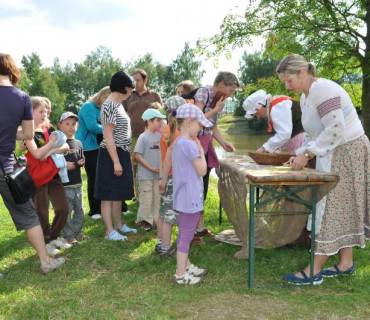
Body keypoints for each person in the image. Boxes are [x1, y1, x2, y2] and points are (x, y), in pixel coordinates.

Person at [277, 54, 370, 285]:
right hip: (337, 151)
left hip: (347, 151)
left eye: (289, 80)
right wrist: (301, 154)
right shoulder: (307, 96)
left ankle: (314, 271)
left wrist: (308, 154)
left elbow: (336, 129)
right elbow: (315, 134)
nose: (287, 86)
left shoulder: (322, 89)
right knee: (342, 205)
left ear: (302, 72)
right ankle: (345, 263)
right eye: (284, 82)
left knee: (332, 206)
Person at [0, 53, 64, 275]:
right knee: (28, 214)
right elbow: (28, 133)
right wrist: (8, 133)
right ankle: (46, 261)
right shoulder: (23, 98)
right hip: (5, 165)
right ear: (12, 71)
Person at [192, 71, 239, 244]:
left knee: (202, 187)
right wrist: (216, 109)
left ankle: (199, 227)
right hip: (194, 145)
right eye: (231, 90)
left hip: (206, 145)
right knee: (194, 187)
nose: (231, 95)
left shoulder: (220, 98)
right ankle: (191, 231)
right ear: (221, 85)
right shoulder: (204, 93)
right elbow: (194, 119)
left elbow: (213, 126)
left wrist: (223, 142)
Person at [172, 103, 213, 285]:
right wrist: (201, 152)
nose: (201, 127)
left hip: (183, 196)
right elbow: (203, 171)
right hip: (191, 198)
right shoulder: (189, 145)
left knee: (183, 233)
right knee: (187, 236)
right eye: (199, 124)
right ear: (189, 122)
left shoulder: (178, 142)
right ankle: (180, 274)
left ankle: (186, 265)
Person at [94, 71, 137, 241]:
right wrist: (116, 162)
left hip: (122, 152)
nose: (132, 92)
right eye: (131, 88)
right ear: (125, 87)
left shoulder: (118, 104)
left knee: (118, 192)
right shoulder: (109, 105)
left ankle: (119, 225)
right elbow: (108, 135)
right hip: (111, 154)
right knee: (108, 194)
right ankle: (109, 231)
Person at [25, 97, 71, 255]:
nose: (45, 114)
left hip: (53, 175)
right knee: (41, 211)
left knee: (63, 208)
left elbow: (65, 145)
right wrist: (52, 143)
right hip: (38, 178)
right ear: (30, 112)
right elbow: (37, 154)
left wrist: (51, 150)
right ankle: (45, 241)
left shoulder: (49, 128)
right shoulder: (27, 133)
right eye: (41, 111)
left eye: (46, 111)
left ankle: (54, 237)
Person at [157, 96, 186, 258]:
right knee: (170, 215)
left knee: (163, 213)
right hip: (174, 177)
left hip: (166, 176)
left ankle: (161, 243)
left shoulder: (167, 129)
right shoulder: (176, 132)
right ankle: (166, 248)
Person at [76, 87, 110, 220]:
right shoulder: (88, 107)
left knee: (101, 178)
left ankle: (103, 207)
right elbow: (92, 126)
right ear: (102, 96)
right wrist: (110, 128)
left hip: (100, 147)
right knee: (94, 178)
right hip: (88, 148)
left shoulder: (102, 108)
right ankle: (94, 210)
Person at [243, 89, 308, 154]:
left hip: (303, 141)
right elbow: (286, 134)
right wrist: (276, 147)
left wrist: (265, 147)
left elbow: (284, 134)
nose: (257, 116)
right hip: (300, 140)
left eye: (255, 112)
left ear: (260, 104)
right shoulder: (278, 103)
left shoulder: (277, 106)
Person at [134, 109, 166, 231]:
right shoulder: (143, 137)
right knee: (146, 198)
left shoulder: (160, 137)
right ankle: (146, 221)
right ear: (149, 121)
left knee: (157, 198)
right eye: (158, 120)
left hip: (158, 175)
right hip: (146, 175)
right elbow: (137, 155)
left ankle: (157, 220)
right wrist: (150, 168)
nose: (160, 122)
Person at [58, 112, 86, 244]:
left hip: (78, 183)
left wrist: (81, 162)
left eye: (73, 124)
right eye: (67, 124)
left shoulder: (78, 143)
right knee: (67, 210)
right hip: (65, 184)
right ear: (60, 126)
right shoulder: (59, 143)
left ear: (77, 126)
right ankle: (68, 235)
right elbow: (55, 160)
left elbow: (81, 158)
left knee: (80, 210)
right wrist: (65, 163)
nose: (71, 127)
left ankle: (77, 231)